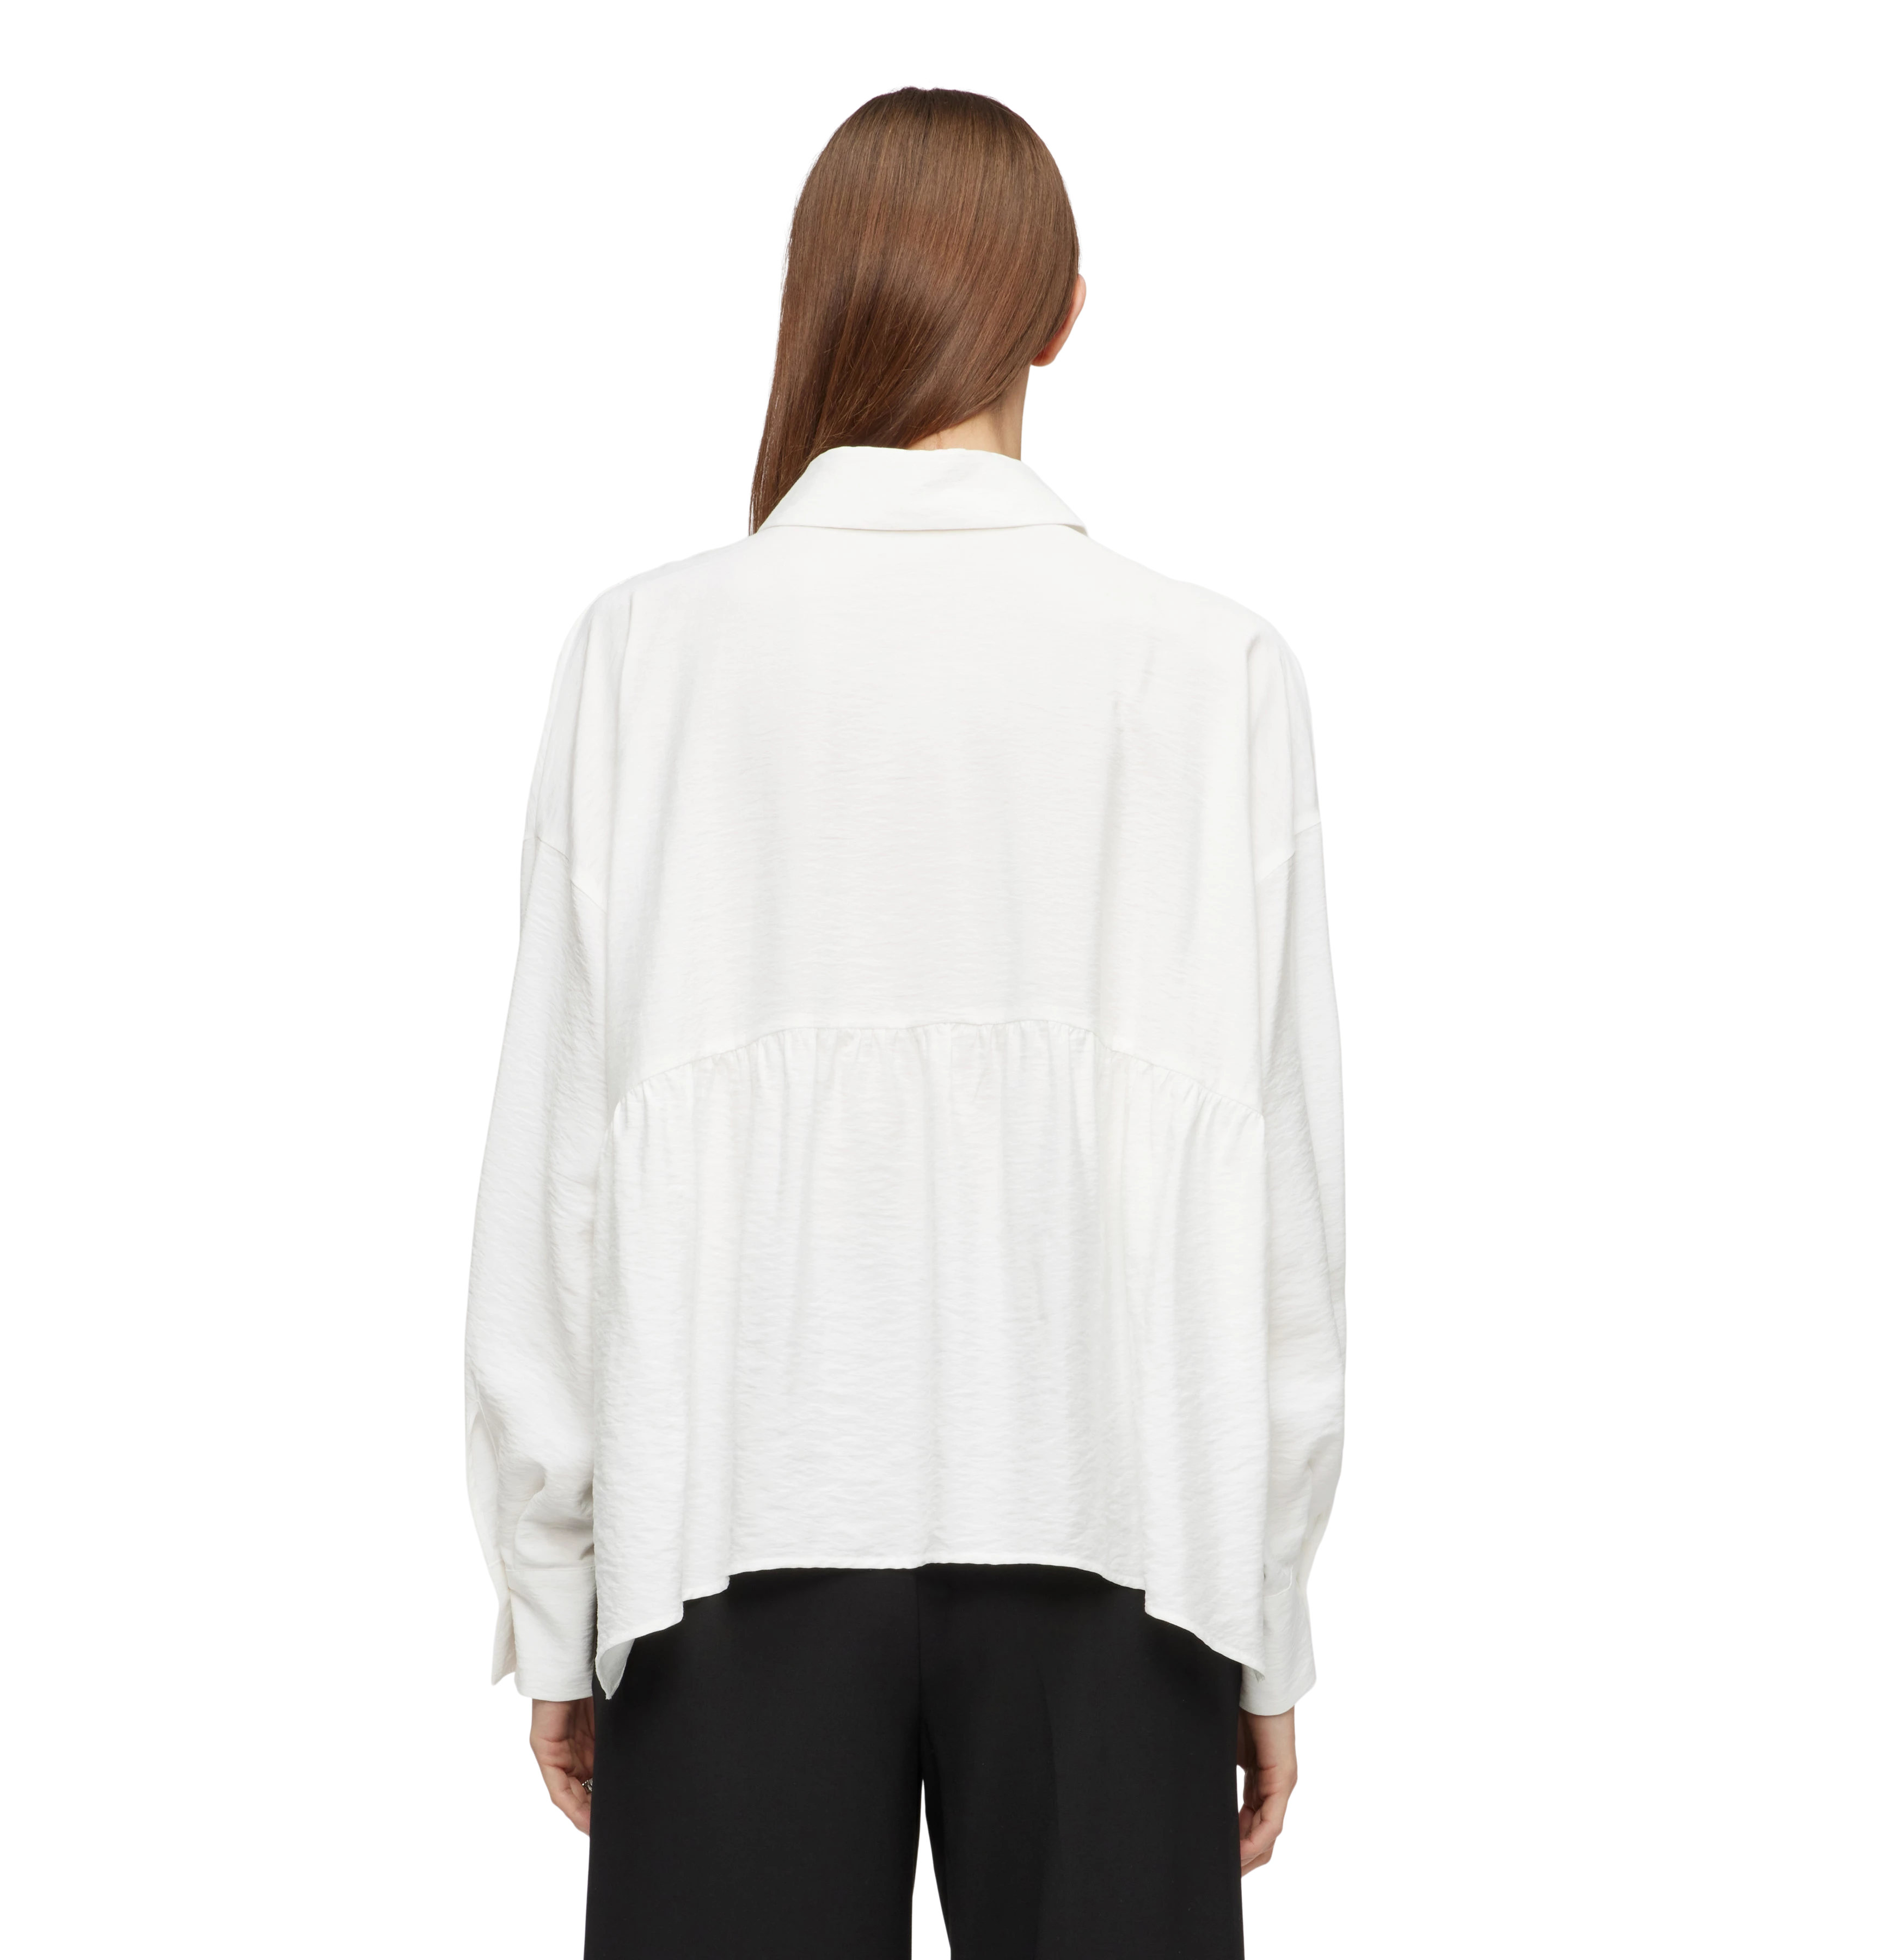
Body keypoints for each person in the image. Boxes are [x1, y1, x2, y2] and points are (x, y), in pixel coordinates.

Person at [463, 83, 1346, 1959]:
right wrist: (1266, 1622)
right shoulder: (1215, 672)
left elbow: (558, 1167)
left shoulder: (646, 655)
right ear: (1063, 313)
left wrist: (553, 1595)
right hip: (1125, 1540)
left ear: (822, 302)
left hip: (728, 1533)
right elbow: (1280, 1200)